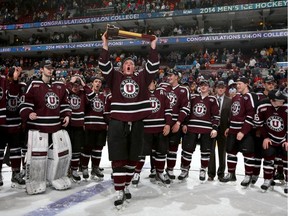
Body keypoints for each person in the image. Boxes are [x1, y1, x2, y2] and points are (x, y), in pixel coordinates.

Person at [98, 31, 159, 208]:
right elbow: (104, 65)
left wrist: (153, 46)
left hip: (138, 120)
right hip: (118, 120)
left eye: (132, 63)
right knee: (118, 156)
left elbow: (153, 66)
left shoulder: (142, 77)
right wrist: (105, 43)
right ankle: (119, 190)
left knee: (134, 157)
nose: (129, 65)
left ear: (135, 68)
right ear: (122, 67)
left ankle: (125, 185)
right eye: (126, 63)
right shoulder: (114, 77)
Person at [19, 59, 72, 194]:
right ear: (41, 69)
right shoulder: (34, 84)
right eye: (47, 67)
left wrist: (66, 114)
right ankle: (35, 179)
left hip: (55, 128)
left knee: (58, 156)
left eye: (51, 68)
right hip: (38, 128)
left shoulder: (60, 85)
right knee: (37, 156)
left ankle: (54, 177)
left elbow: (65, 103)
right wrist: (29, 112)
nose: (50, 70)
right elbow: (26, 101)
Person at [131, 79, 172, 187]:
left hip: (160, 128)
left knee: (161, 152)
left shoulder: (163, 92)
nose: (149, 83)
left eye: (151, 81)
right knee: (141, 153)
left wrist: (168, 124)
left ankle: (160, 172)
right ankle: (136, 173)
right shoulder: (141, 93)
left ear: (155, 82)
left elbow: (168, 110)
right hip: (145, 129)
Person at [178, 79, 219, 182]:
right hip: (191, 128)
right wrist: (185, 123)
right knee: (187, 150)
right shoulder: (193, 97)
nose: (203, 87)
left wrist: (214, 128)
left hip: (206, 129)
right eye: (201, 85)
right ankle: (185, 170)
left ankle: (203, 169)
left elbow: (216, 116)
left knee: (205, 152)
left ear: (209, 87)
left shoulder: (213, 99)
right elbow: (187, 111)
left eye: (205, 85)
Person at [220, 77, 258, 187]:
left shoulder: (250, 96)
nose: (238, 86)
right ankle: (231, 174)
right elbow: (233, 114)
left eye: (240, 83)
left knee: (248, 154)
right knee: (231, 152)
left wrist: (244, 131)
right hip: (233, 130)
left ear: (247, 84)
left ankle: (248, 175)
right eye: (237, 84)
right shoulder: (236, 97)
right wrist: (229, 127)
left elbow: (251, 114)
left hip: (244, 131)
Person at [254, 89, 287, 193]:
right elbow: (259, 123)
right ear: (272, 100)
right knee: (268, 155)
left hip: (284, 138)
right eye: (280, 100)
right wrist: (266, 137)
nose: (283, 101)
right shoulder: (262, 106)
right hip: (270, 137)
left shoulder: (286, 107)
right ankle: (268, 179)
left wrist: (287, 140)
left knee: (287, 156)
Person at [66, 75, 95, 182]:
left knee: (76, 150)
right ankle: (65, 170)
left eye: (77, 85)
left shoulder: (83, 93)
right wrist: (70, 81)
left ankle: (74, 169)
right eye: (73, 85)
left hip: (78, 126)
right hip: (67, 125)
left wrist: (83, 83)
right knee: (66, 149)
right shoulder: (67, 92)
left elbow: (92, 96)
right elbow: (61, 92)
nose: (75, 87)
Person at [162, 69, 190, 180]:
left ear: (177, 77)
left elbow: (185, 108)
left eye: (171, 75)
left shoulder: (183, 90)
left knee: (173, 148)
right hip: (163, 123)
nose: (169, 77)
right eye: (168, 76)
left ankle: (170, 169)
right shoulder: (163, 88)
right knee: (159, 149)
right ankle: (157, 170)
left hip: (175, 123)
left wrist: (178, 122)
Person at [0, 66, 25, 188]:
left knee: (16, 151)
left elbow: (15, 95)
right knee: (0, 151)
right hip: (2, 123)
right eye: (12, 75)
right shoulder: (4, 84)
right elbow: (10, 94)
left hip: (15, 123)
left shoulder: (20, 86)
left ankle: (15, 173)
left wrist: (16, 81)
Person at [80, 75, 107, 181]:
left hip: (101, 126)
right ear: (92, 83)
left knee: (98, 149)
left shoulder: (103, 96)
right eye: (96, 81)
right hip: (89, 125)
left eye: (100, 82)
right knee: (87, 148)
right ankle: (85, 167)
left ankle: (95, 168)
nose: (98, 83)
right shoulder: (86, 95)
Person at [208, 80, 232, 181]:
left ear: (225, 89)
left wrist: (229, 127)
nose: (221, 89)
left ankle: (221, 173)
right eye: (219, 87)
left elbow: (232, 115)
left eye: (222, 87)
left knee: (222, 152)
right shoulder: (211, 99)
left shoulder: (230, 100)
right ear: (216, 88)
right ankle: (211, 174)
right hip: (212, 129)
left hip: (223, 129)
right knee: (211, 151)